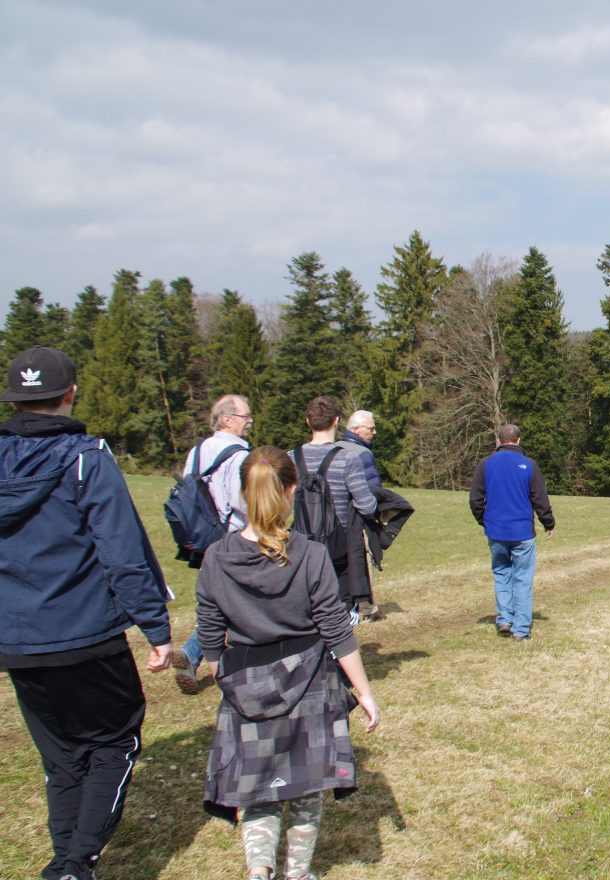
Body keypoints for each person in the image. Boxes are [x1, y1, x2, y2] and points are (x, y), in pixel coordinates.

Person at [0, 346, 174, 880]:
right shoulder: (86, 457)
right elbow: (120, 550)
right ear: (70, 394)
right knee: (115, 741)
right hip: (83, 633)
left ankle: (67, 863)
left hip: (20, 641)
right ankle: (75, 863)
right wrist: (156, 627)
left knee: (63, 757)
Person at [196, 446, 381, 880]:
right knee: (307, 785)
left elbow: (209, 638)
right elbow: (337, 631)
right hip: (312, 682)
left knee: (258, 787)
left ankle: (259, 871)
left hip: (243, 678)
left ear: (243, 493)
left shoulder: (216, 558)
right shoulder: (311, 554)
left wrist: (225, 680)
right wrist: (365, 692)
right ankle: (297, 873)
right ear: (292, 490)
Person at [174, 394, 253, 695]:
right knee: (238, 602)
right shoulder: (239, 453)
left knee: (216, 601)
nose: (249, 422)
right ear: (227, 419)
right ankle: (198, 652)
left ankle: (194, 654)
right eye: (245, 416)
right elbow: (240, 501)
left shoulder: (197, 451)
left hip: (200, 539)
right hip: (231, 538)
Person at [293, 397, 378, 622]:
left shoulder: (292, 458)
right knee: (339, 605)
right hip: (337, 543)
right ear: (337, 421)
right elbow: (366, 506)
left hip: (299, 542)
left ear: (308, 422)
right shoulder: (347, 459)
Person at [469, 424, 555, 640]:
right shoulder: (529, 465)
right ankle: (521, 628)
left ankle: (505, 619)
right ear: (518, 440)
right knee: (522, 579)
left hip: (496, 531)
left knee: (501, 574)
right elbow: (540, 498)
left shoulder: (485, 465)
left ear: (498, 441)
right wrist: (548, 522)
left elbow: (475, 500)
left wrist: (484, 521)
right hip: (523, 532)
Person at [339, 410, 382, 488]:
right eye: (371, 429)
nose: (375, 432)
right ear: (356, 429)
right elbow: (374, 489)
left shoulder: (334, 447)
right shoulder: (363, 453)